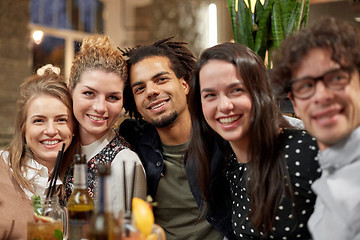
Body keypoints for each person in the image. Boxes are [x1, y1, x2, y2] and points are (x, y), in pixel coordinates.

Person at [185, 42, 321, 240]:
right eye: (210, 95)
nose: (224, 106)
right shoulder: (228, 166)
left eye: (236, 90)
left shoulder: (305, 151)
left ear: (260, 93)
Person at [119, 37, 226, 240]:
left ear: (184, 84)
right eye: (139, 89)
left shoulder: (221, 135)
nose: (151, 91)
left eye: (161, 79)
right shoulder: (132, 140)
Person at [271, 17, 360, 240]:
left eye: (337, 78)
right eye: (306, 85)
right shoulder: (329, 167)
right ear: (295, 103)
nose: (321, 96)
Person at [64, 35, 146, 216]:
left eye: (113, 97)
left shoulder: (125, 163)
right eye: (89, 93)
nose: (100, 108)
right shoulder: (59, 147)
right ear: (70, 90)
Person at [0, 69, 76, 239]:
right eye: (39, 120)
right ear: (23, 127)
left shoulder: (80, 183)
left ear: (74, 127)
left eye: (61, 119)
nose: (50, 130)